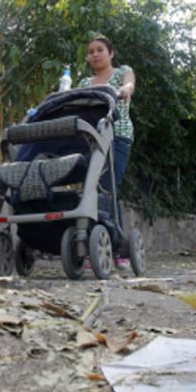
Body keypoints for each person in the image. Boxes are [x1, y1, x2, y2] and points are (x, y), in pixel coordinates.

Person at [77, 35, 136, 270]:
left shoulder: (122, 72)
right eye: (91, 51)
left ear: (110, 53)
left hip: (117, 135)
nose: (95, 54)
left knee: (108, 187)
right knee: (91, 188)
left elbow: (130, 84)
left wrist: (124, 89)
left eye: (100, 50)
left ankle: (116, 247)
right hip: (91, 138)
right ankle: (97, 246)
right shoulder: (84, 82)